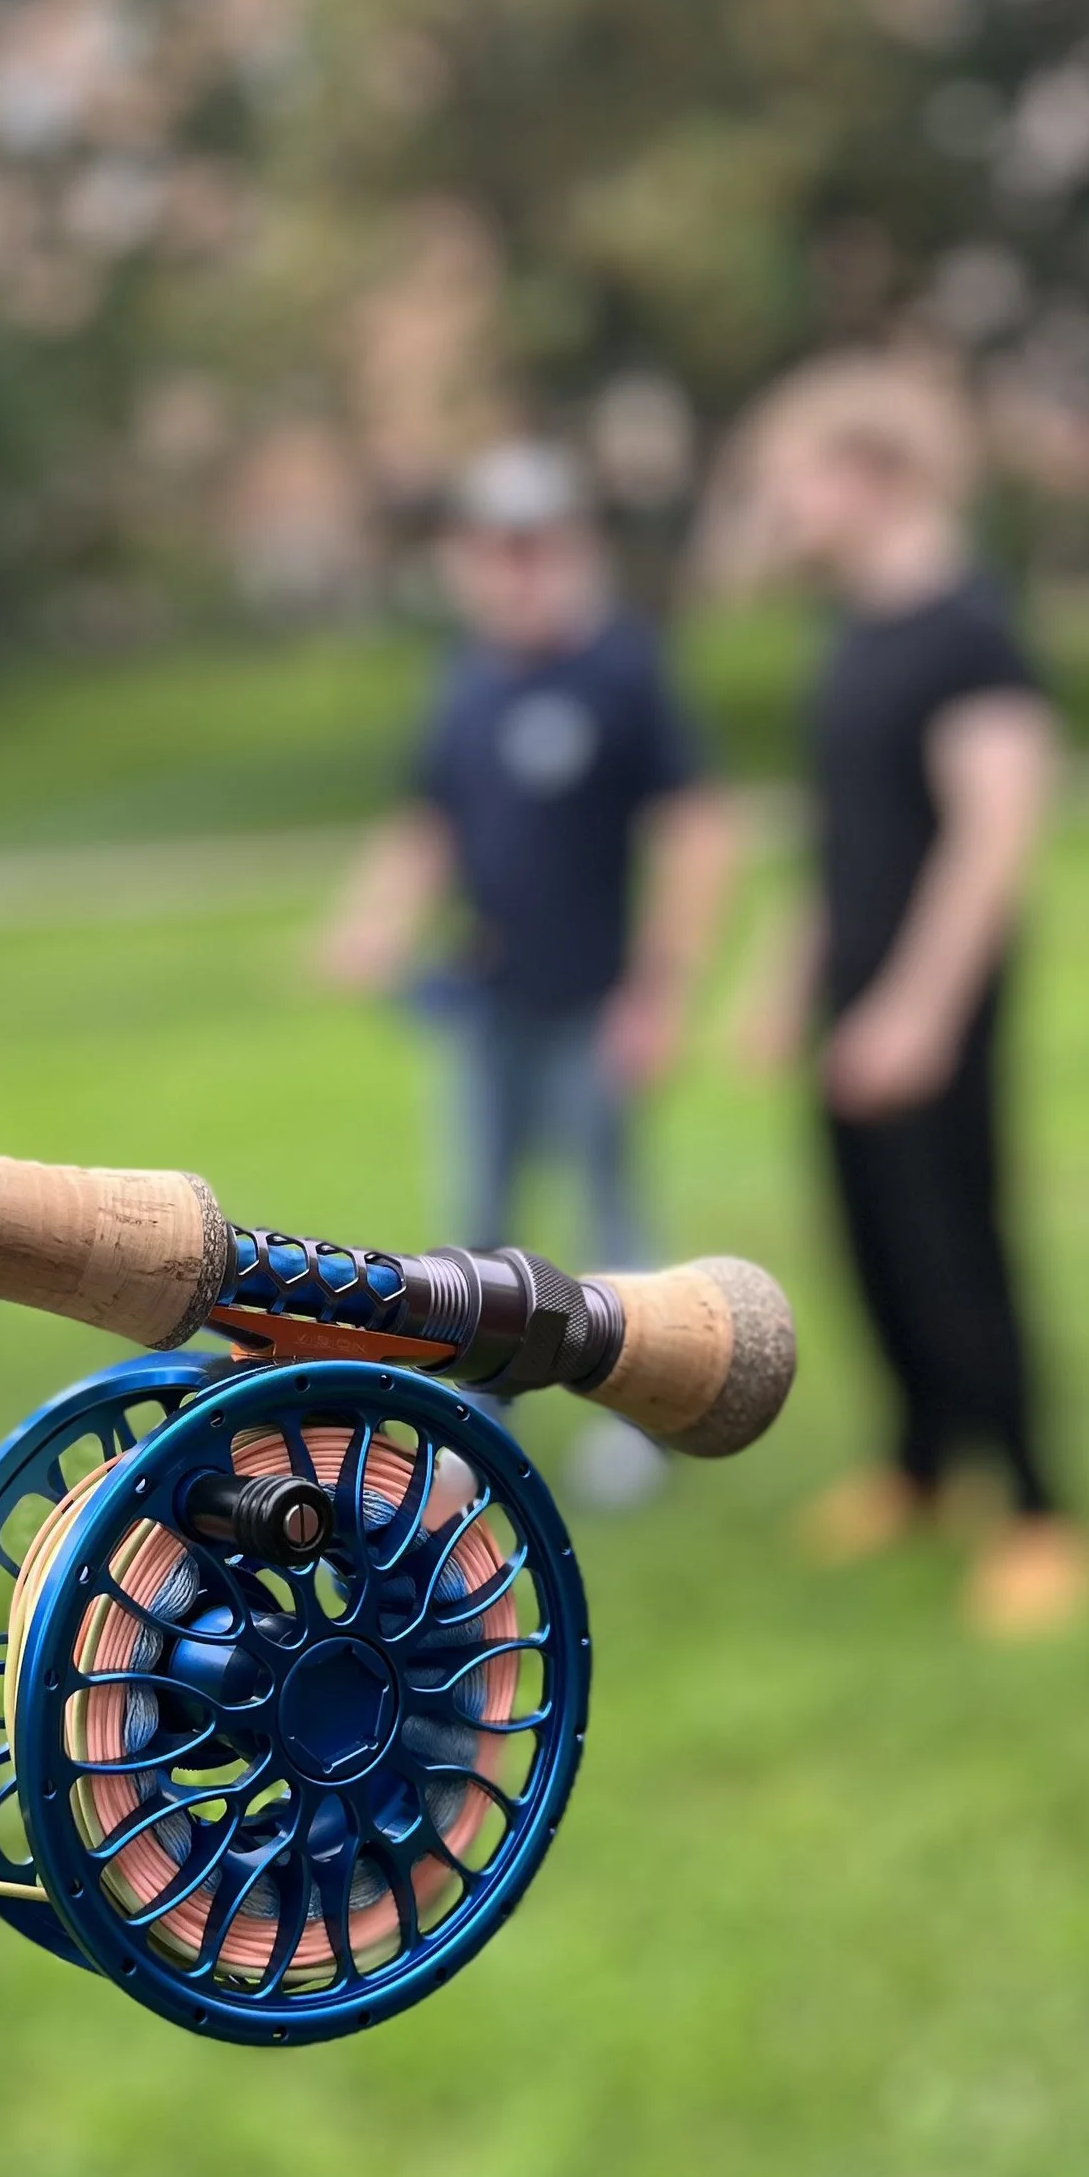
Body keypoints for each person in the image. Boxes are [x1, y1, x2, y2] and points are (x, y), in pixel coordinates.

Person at [734, 353, 1089, 1637]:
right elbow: (844, 837)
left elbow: (994, 832)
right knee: (869, 1241)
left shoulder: (969, 632)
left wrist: (919, 1008)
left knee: (958, 1247)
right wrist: (789, 980)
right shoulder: (854, 634)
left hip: (929, 1012)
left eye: (796, 482)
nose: (784, 509)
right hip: (851, 1004)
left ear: (873, 473)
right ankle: (917, 1469)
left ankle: (1041, 1511)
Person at [320, 440, 738, 1506]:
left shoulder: (620, 670)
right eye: (493, 550)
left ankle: (640, 1418)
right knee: (475, 1233)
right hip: (487, 1004)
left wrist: (659, 993)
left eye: (533, 548)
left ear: (571, 551)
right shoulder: (464, 681)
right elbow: (432, 823)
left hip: (592, 1003)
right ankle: (474, 1419)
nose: (513, 572)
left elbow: (697, 833)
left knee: (612, 1230)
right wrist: (376, 920)